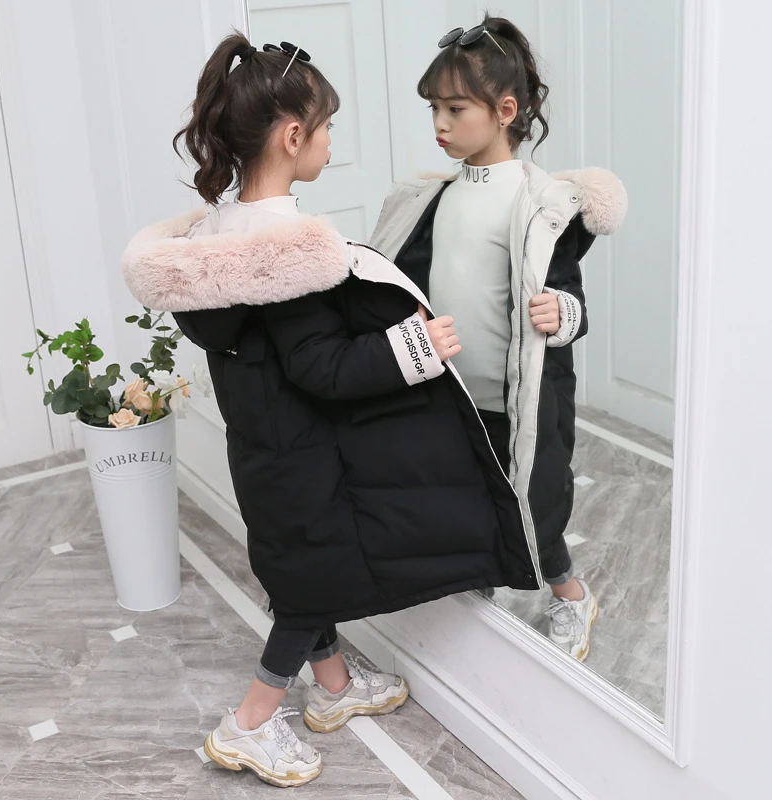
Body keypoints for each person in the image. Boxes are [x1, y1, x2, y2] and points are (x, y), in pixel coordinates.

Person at [122, 31, 543, 788]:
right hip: (308, 454)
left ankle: (336, 687)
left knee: (304, 565)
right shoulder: (288, 252)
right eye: (326, 128)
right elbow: (321, 367)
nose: (329, 142)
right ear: (293, 137)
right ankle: (250, 722)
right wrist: (416, 346)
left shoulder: (220, 235)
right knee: (305, 587)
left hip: (266, 448)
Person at [370, 14, 628, 662]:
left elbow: (570, 297)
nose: (440, 123)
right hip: (451, 393)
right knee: (461, 493)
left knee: (535, 504)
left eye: (455, 108)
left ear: (505, 111)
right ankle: (477, 575)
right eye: (434, 108)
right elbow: (409, 279)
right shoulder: (431, 199)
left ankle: (569, 592)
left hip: (523, 398)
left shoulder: (543, 205)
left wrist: (563, 314)